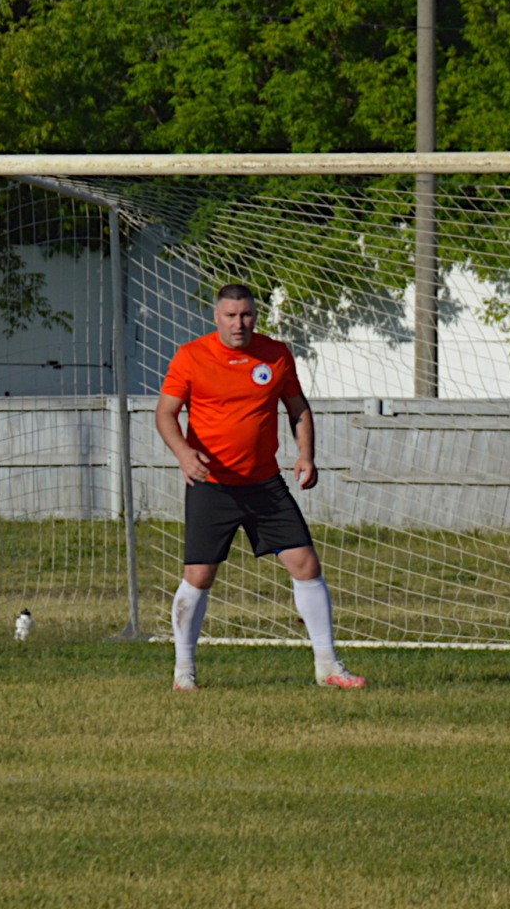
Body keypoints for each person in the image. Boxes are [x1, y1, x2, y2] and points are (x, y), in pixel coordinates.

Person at [156, 283, 365, 692]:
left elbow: (298, 407)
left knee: (307, 566)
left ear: (256, 316)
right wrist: (183, 453)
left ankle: (328, 667)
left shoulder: (276, 354)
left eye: (247, 315)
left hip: (264, 484)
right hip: (212, 486)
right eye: (231, 316)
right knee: (199, 575)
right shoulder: (191, 356)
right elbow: (166, 413)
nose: (239, 323)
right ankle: (184, 672)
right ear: (216, 317)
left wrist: (306, 455)